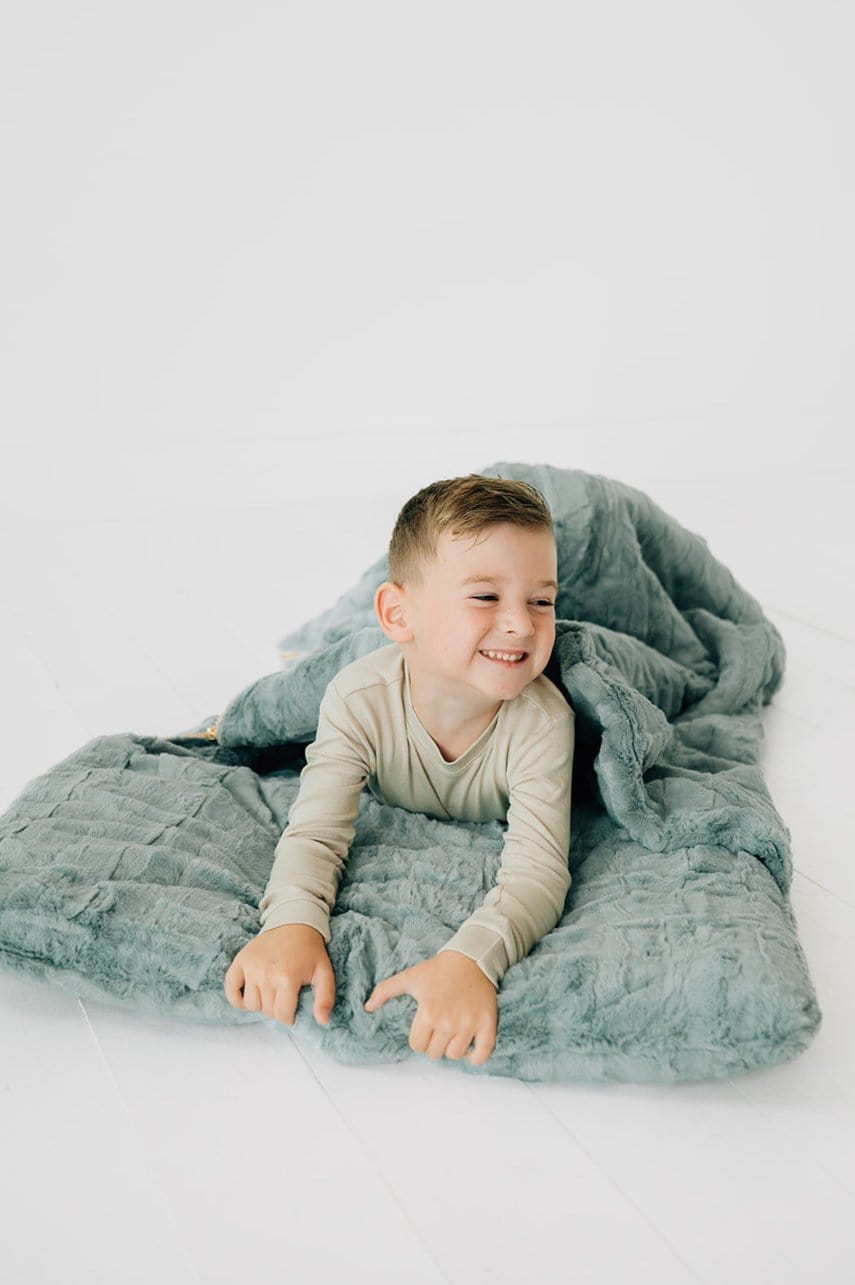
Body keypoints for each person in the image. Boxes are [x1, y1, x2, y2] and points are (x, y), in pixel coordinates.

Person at [224, 472, 575, 1066]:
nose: (521, 624)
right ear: (398, 614)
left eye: (542, 601)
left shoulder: (541, 722)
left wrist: (471, 959)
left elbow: (537, 872)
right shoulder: (358, 699)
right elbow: (316, 831)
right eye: (486, 597)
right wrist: (291, 922)